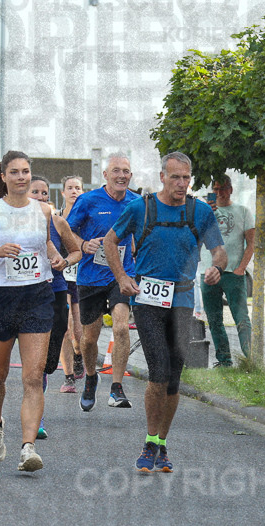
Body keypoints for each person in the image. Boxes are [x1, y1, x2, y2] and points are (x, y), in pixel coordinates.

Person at [105, 151, 226, 474]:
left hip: (182, 301)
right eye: (175, 177)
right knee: (158, 370)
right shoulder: (141, 208)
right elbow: (110, 241)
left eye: (186, 178)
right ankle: (149, 441)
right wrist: (122, 277)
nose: (181, 184)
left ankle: (161, 442)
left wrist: (216, 267)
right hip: (147, 300)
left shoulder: (200, 211)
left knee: (174, 378)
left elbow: (219, 251)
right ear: (162, 177)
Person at [0, 151, 66, 472]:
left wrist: (58, 257)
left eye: (25, 171)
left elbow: (46, 245)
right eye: (15, 172)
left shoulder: (44, 210)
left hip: (37, 296)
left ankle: (28, 448)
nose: (21, 177)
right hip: (0, 298)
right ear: (4, 177)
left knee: (33, 377)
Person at [54, 155, 139, 412]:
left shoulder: (136, 202)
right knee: (89, 339)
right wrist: (82, 244)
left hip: (121, 275)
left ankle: (117, 387)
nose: (121, 176)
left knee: (121, 327)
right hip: (91, 276)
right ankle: (91, 377)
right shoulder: (88, 200)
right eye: (116, 171)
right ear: (105, 174)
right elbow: (67, 230)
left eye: (126, 171)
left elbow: (143, 233)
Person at [28, 175, 81, 436]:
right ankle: (36, 417)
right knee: (34, 363)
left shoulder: (57, 222)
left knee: (48, 361)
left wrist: (65, 261)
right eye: (35, 192)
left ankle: (44, 378)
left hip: (56, 290)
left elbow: (76, 251)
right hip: (27, 293)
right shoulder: (14, 221)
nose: (40, 197)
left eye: (44, 193)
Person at [202, 174, 254, 367]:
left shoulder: (242, 211)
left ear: (231, 189)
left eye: (223, 188)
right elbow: (194, 235)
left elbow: (252, 243)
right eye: (215, 189)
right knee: (214, 318)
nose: (219, 193)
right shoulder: (204, 211)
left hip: (233, 272)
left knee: (241, 318)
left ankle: (250, 359)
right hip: (208, 272)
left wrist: (241, 268)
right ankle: (224, 360)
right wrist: (206, 213)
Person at [59, 174, 85, 389]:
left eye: (77, 188)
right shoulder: (56, 218)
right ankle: (68, 376)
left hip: (82, 276)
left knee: (79, 331)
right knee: (65, 327)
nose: (74, 191)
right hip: (61, 275)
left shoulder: (87, 218)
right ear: (63, 192)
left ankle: (79, 354)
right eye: (70, 187)